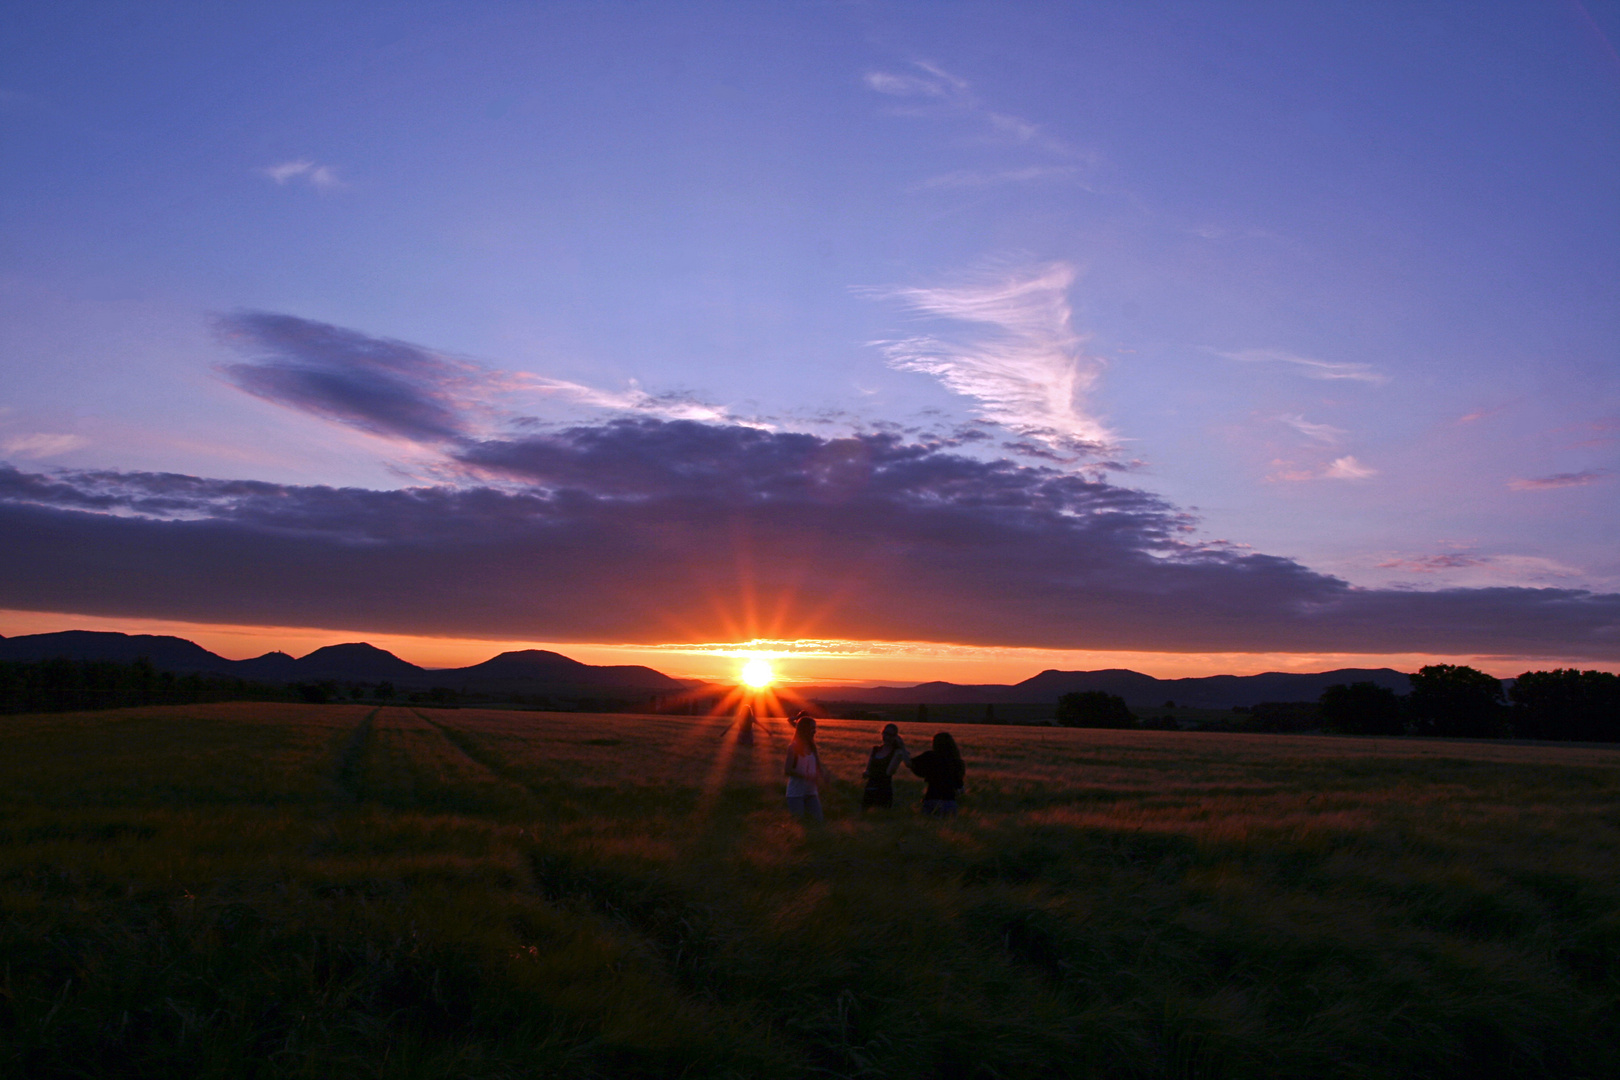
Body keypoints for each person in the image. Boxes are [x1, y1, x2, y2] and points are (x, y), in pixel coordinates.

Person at [906, 731, 964, 816]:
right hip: (950, 802)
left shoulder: (930, 756)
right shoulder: (957, 762)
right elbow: (959, 786)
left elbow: (911, 764)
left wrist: (902, 750)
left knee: (928, 826)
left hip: (932, 799)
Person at [784, 713, 826, 821]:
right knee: (799, 823)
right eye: (812, 728)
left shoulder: (812, 747)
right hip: (795, 793)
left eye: (815, 728)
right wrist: (806, 776)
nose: (814, 731)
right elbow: (787, 770)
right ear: (804, 729)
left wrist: (823, 776)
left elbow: (818, 765)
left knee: (818, 821)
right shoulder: (793, 747)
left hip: (811, 792)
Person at [861, 723, 910, 809]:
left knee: (881, 818)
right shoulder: (876, 749)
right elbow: (868, 768)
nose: (887, 737)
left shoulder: (897, 752)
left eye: (891, 735)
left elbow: (908, 764)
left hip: (884, 791)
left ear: (895, 737)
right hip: (870, 789)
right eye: (885, 733)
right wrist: (865, 773)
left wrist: (902, 746)